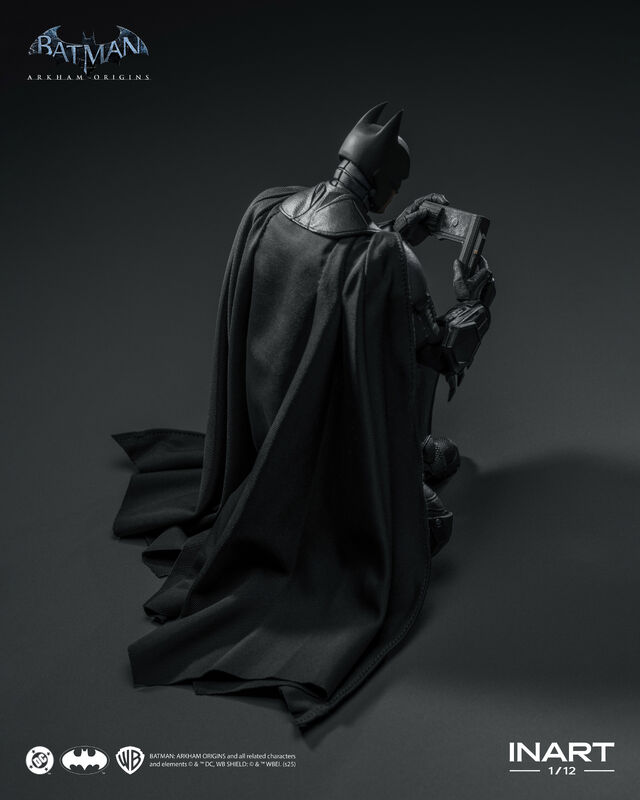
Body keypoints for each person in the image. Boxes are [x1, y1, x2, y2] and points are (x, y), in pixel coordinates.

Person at [112, 103, 495, 727]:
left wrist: (397, 231)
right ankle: (398, 468)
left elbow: (335, 273)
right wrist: (476, 301)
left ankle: (402, 458)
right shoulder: (385, 261)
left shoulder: (268, 211)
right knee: (430, 527)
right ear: (384, 182)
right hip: (329, 454)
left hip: (269, 420)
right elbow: (440, 352)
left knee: (390, 337)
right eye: (395, 188)